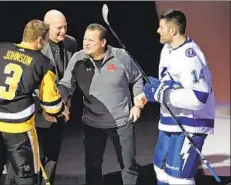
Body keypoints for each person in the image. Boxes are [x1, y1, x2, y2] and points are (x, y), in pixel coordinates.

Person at [0, 19, 69, 185]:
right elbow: (51, 105)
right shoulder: (44, 64)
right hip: (18, 127)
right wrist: (60, 109)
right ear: (39, 40)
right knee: (27, 177)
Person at [58, 23, 147, 185]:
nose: (85, 43)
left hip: (122, 122)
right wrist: (60, 99)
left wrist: (138, 103)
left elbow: (137, 78)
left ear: (103, 42)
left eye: (91, 40)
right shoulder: (78, 58)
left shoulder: (121, 56)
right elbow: (66, 84)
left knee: (128, 166)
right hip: (92, 124)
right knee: (92, 167)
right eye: (85, 38)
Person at [142, 9, 215, 185]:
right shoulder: (166, 50)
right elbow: (167, 83)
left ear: (173, 30)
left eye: (161, 27)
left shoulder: (190, 57)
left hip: (190, 125)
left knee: (178, 180)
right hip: (169, 121)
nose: (157, 31)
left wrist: (165, 94)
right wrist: (153, 92)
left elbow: (199, 97)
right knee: (161, 172)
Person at [5, 9, 78, 185]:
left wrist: (64, 102)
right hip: (34, 113)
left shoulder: (71, 43)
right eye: (59, 28)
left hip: (59, 110)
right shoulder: (33, 47)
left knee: (52, 155)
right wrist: (44, 108)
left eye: (65, 26)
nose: (64, 31)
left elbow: (70, 76)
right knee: (25, 159)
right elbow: (25, 86)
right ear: (46, 29)